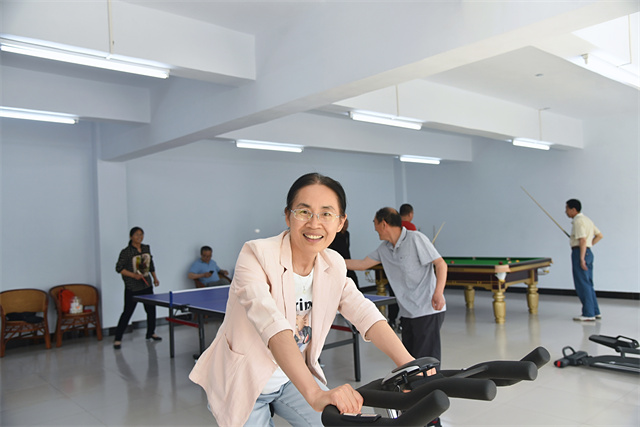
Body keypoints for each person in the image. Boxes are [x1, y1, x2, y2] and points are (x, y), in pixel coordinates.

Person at [189, 173, 426, 427]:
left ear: (340, 222)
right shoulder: (256, 254)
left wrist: (410, 366)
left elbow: (364, 312)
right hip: (245, 380)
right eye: (304, 212)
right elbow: (272, 324)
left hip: (291, 377)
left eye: (326, 214)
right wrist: (314, 394)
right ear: (288, 216)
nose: (314, 223)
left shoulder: (333, 263)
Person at [345, 208, 447, 362]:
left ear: (384, 224)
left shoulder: (415, 238)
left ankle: (432, 380)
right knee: (410, 362)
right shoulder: (384, 248)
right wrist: (329, 259)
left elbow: (440, 264)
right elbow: (362, 264)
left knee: (427, 363)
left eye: (375, 223)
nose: (374, 228)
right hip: (407, 313)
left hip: (427, 310)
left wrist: (438, 293)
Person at [113, 226, 162, 349]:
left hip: (146, 284)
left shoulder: (146, 248)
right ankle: (118, 338)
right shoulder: (126, 252)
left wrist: (155, 278)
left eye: (141, 234)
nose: (139, 237)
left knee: (151, 310)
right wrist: (133, 275)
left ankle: (151, 333)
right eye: (136, 235)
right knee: (127, 312)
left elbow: (150, 264)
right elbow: (119, 268)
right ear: (131, 237)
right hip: (133, 287)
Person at [565, 199, 603, 321]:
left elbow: (582, 240)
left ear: (573, 209)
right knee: (588, 283)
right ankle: (595, 311)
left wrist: (581, 258)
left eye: (567, 209)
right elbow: (599, 235)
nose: (565, 211)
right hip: (588, 253)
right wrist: (587, 247)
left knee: (582, 284)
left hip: (579, 253)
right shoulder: (587, 220)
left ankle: (588, 314)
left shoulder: (578, 221)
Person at [328, 218, 359, 288]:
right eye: (344, 224)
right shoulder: (335, 235)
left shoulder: (347, 234)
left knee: (353, 277)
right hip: (337, 259)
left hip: (347, 258)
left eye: (347, 224)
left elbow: (347, 247)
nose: (346, 226)